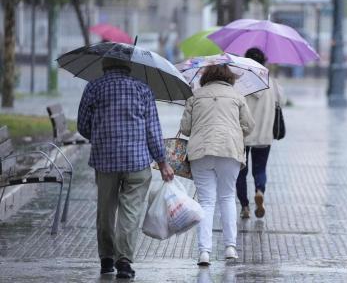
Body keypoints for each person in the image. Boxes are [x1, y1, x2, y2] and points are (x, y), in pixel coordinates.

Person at [77, 57, 174, 279]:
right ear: (129, 66)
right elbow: (152, 131)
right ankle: (124, 261)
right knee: (130, 212)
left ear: (104, 65)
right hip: (137, 162)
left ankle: (106, 259)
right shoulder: (143, 89)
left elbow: (82, 125)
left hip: (105, 161)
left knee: (105, 211)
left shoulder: (94, 87)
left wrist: (101, 135)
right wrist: (162, 162)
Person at [180, 64, 255, 266]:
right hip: (229, 151)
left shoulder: (194, 97)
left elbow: (185, 129)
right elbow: (249, 126)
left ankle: (204, 252)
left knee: (206, 202)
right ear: (229, 78)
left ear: (205, 78)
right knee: (227, 197)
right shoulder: (237, 97)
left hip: (201, 152)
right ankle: (230, 247)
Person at [236, 47, 286, 220]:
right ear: (264, 62)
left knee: (241, 171)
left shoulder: (241, 82)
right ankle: (259, 190)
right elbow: (283, 101)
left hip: (242, 135)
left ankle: (244, 206)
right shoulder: (271, 82)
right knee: (260, 169)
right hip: (264, 135)